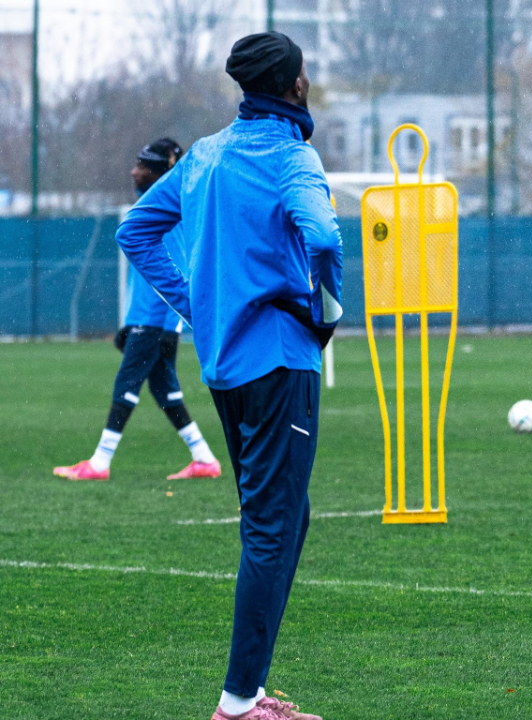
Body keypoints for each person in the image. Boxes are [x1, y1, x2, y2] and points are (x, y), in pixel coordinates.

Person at [116, 31, 341, 720]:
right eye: (306, 73)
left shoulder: (206, 155)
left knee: (284, 518)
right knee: (274, 527)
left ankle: (253, 692)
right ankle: (239, 703)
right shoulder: (291, 157)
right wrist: (326, 309)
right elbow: (325, 237)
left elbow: (137, 232)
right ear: (294, 85)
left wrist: (197, 303)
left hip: (226, 365)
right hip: (279, 358)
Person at [53, 139, 221, 482]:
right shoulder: (163, 205)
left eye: (142, 165)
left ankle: (99, 462)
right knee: (164, 389)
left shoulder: (165, 211)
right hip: (153, 317)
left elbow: (172, 270)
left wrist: (152, 322)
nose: (134, 171)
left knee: (126, 382)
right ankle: (203, 458)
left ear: (161, 171)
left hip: (155, 316)